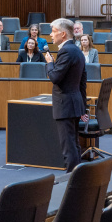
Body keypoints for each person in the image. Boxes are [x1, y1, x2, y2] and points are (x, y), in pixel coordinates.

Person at [45, 18, 88, 173]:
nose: (51, 35)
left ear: (63, 34)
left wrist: (49, 63)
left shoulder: (66, 51)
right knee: (74, 145)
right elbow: (83, 81)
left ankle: (72, 182)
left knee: (68, 148)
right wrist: (83, 106)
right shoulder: (77, 50)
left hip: (65, 105)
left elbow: (55, 78)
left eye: (53, 31)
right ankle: (78, 178)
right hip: (74, 103)